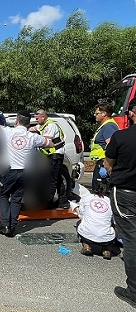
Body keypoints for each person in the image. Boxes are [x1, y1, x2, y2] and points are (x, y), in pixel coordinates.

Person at [0, 110, 59, 237]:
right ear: (28, 124)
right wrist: (56, 141)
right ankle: (13, 227)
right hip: (25, 173)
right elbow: (50, 143)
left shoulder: (8, 132)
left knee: (4, 196)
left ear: (16, 121)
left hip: (9, 171)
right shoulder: (32, 137)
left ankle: (5, 225)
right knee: (16, 199)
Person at [104, 97, 136, 308]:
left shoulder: (121, 137)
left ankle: (133, 291)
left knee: (132, 240)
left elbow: (108, 164)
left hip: (126, 193)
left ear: (132, 113)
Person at [70, 178, 119, 260]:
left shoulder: (86, 198)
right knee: (111, 225)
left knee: (79, 223)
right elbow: (114, 221)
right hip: (108, 237)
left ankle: (86, 245)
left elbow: (82, 216)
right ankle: (106, 250)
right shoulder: (110, 201)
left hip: (87, 233)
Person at [30, 109, 68, 209]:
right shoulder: (42, 125)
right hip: (51, 155)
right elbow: (33, 129)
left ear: (44, 117)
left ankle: (47, 203)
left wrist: (33, 140)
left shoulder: (50, 126)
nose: (36, 120)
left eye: (37, 118)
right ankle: (63, 201)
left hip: (55, 155)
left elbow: (46, 139)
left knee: (51, 179)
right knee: (57, 178)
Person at [90, 102, 118, 191]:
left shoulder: (109, 126)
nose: (95, 115)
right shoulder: (105, 126)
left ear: (104, 114)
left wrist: (105, 166)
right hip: (102, 162)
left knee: (99, 191)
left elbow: (111, 147)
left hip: (104, 163)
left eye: (97, 113)